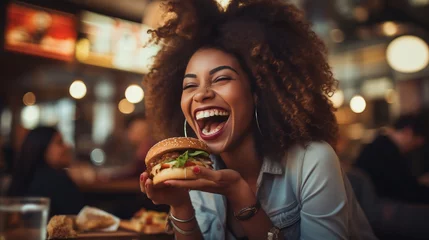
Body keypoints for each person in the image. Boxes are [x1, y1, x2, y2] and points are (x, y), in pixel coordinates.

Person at [140, 0, 377, 239]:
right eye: (190, 85)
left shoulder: (313, 160)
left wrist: (239, 195)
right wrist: (181, 206)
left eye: (221, 78)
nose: (201, 94)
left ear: (258, 92)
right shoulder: (198, 169)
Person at [7, 127, 84, 216]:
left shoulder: (23, 179)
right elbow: (83, 218)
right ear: (42, 149)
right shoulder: (57, 181)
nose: (67, 146)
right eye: (60, 142)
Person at [355, 114, 429, 204]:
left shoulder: (381, 144)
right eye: (416, 143)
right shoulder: (387, 150)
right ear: (408, 132)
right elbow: (404, 191)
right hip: (379, 208)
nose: (414, 148)